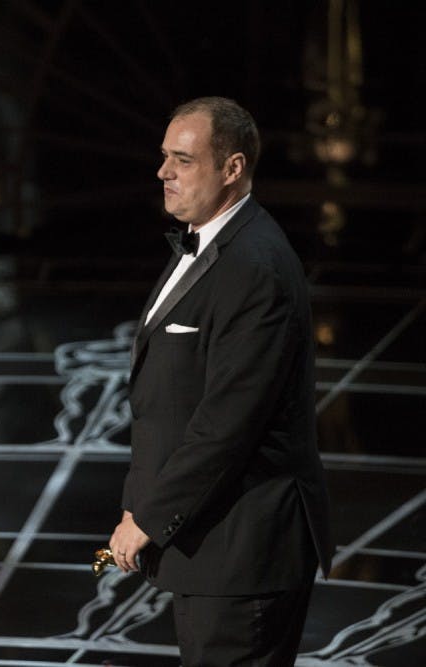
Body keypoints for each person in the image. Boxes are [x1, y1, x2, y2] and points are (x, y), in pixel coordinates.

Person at [109, 97, 333, 665]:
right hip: (211, 546)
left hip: (244, 550)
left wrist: (151, 516)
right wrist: (138, 506)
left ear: (232, 169)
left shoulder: (255, 266)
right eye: (164, 156)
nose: (163, 172)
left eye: (182, 160)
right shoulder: (208, 242)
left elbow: (227, 421)